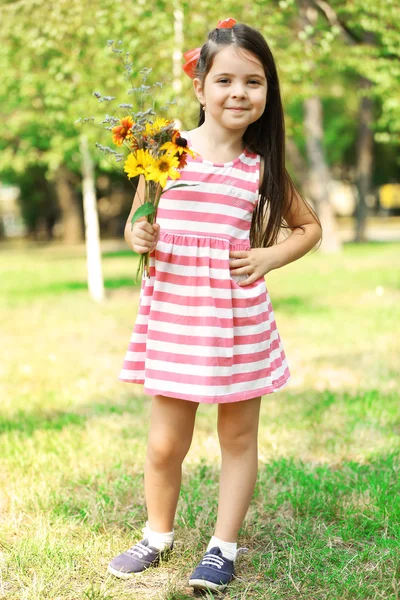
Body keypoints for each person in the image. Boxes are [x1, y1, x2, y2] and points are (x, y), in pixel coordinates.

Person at [108, 18, 322, 592]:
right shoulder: (165, 149)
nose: (238, 93)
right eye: (224, 79)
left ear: (267, 93)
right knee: (165, 442)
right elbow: (138, 216)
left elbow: (308, 228)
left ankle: (222, 547)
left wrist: (269, 257)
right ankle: (157, 535)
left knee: (238, 439)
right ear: (199, 86)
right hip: (177, 316)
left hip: (236, 320)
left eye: (253, 82)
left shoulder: (261, 167)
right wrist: (139, 235)